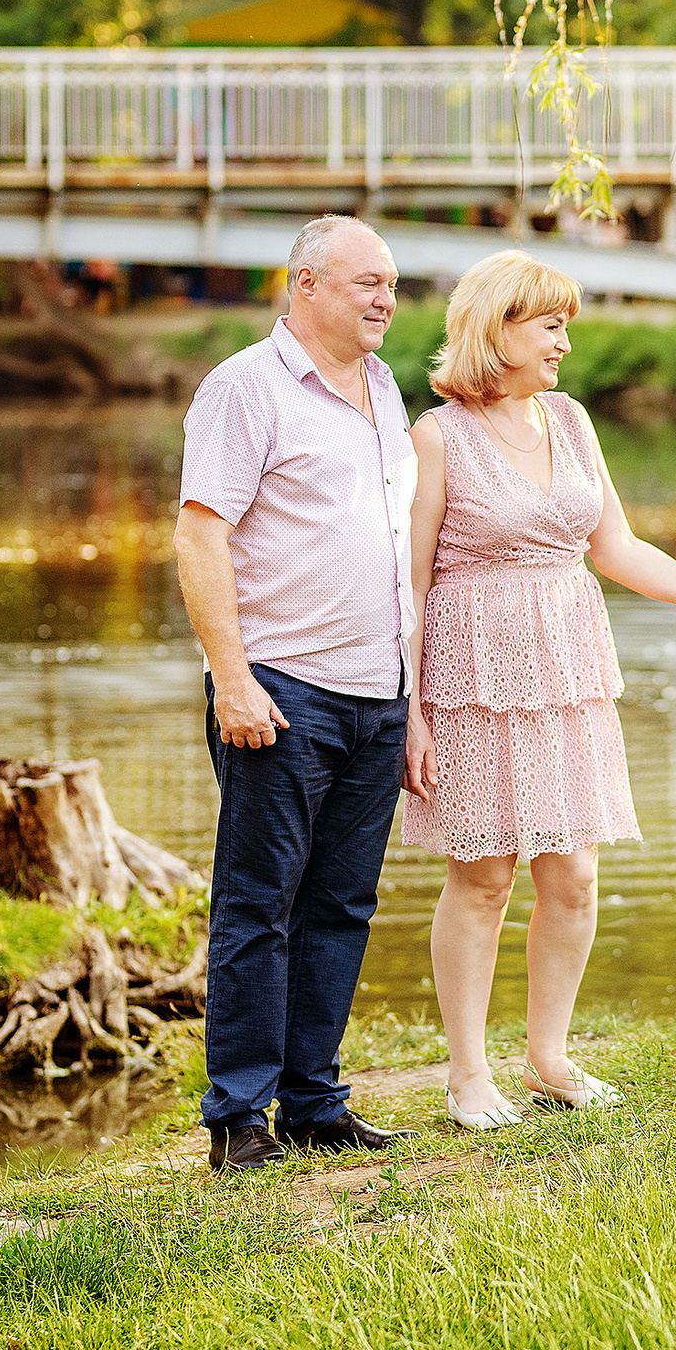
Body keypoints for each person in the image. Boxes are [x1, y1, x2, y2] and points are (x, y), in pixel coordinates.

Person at [404, 250, 676, 1130]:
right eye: (550, 323)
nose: (564, 339)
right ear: (499, 329)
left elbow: (619, 549)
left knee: (576, 876)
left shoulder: (572, 420)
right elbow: (407, 582)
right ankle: (469, 1075)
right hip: (472, 678)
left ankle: (549, 1059)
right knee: (482, 876)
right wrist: (409, 713)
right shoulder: (437, 437)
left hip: (568, 669)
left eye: (565, 323)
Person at [172, 214, 419, 1171]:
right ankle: (238, 1115)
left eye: (391, 284)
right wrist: (230, 678)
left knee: (342, 905)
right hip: (279, 690)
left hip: (375, 690)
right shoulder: (244, 389)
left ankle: (315, 1102)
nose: (385, 300)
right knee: (257, 904)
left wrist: (412, 695)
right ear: (306, 283)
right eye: (367, 283)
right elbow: (200, 536)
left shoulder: (384, 389)